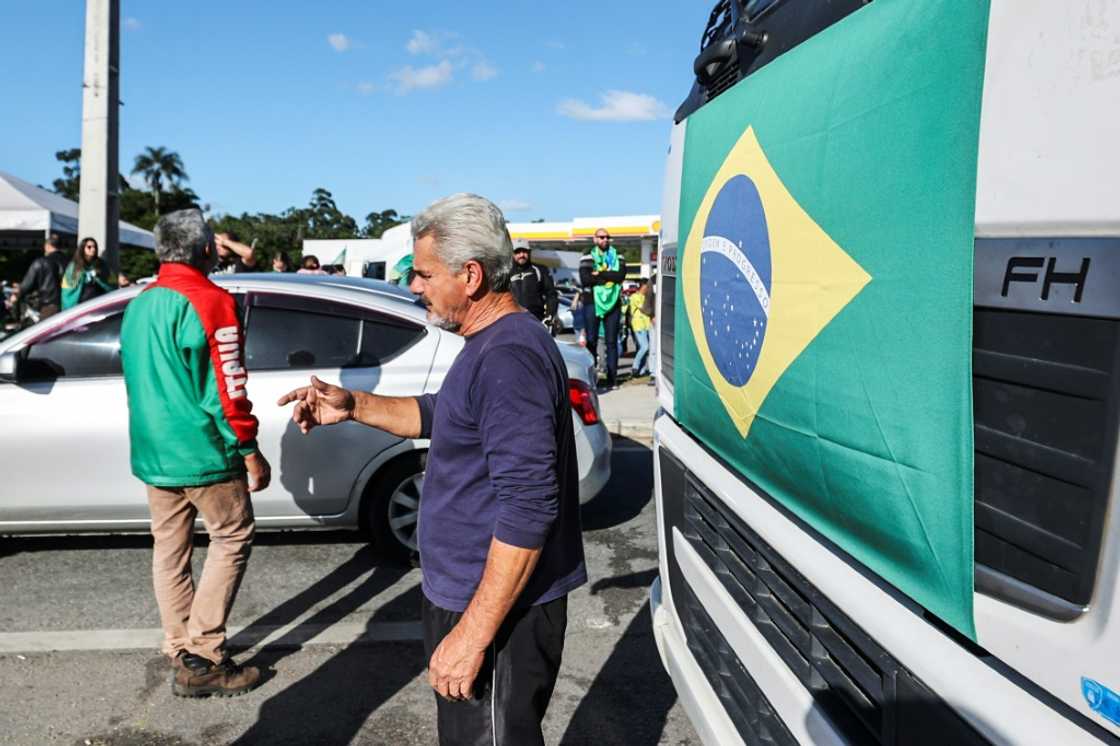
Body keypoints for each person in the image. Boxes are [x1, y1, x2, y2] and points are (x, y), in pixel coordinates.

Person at [279, 194, 585, 745]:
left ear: (470, 275)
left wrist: (473, 635)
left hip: (497, 611)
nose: (413, 287)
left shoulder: (507, 356)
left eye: (422, 274)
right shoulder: (489, 343)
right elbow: (442, 414)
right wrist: (354, 405)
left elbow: (528, 507)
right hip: (468, 596)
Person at [120, 208, 271, 698]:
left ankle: (180, 645)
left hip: (154, 453)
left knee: (171, 549)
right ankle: (204, 655)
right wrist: (249, 449)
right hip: (203, 452)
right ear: (207, 248)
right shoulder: (210, 301)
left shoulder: (140, 303)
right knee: (231, 537)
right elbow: (227, 390)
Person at [579, 229, 628, 390]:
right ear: (595, 239)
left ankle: (612, 379)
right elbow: (585, 279)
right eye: (601, 237)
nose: (605, 239)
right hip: (591, 302)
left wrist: (599, 273)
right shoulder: (587, 256)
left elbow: (620, 276)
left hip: (613, 302)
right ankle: (591, 378)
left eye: (607, 237)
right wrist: (609, 275)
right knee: (591, 341)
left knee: (611, 342)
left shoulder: (618, 256)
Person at [13, 233, 69, 319]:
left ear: (47, 246)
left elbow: (26, 285)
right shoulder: (70, 262)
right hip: (69, 306)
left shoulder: (41, 262)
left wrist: (17, 296)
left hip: (49, 307)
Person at [509, 244, 558, 325]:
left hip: (536, 320)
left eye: (524, 251)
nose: (522, 255)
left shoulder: (540, 270)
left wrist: (549, 315)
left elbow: (551, 294)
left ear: (529, 252)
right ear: (513, 254)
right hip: (512, 321)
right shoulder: (506, 273)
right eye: (518, 252)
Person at [61, 236, 115, 310]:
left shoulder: (102, 264)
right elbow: (68, 289)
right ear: (82, 249)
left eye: (94, 247)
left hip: (99, 303)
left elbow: (112, 282)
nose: (93, 249)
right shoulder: (74, 266)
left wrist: (99, 275)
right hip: (80, 306)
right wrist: (84, 276)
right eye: (89, 247)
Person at [629, 278, 653, 377]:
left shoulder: (646, 297)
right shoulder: (635, 297)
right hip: (639, 325)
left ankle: (641, 370)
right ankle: (635, 367)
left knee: (645, 349)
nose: (647, 288)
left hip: (647, 325)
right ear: (642, 286)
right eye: (646, 286)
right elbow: (644, 309)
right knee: (645, 347)